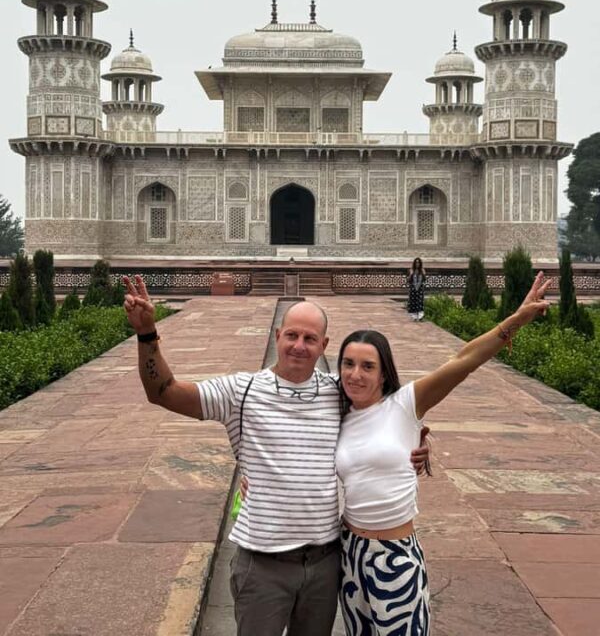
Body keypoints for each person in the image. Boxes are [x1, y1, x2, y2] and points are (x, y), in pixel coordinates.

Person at [122, 276, 430, 636]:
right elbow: (163, 392)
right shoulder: (241, 391)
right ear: (277, 336)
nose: (299, 346)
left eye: (310, 339)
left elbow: (387, 412)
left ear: (323, 345)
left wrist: (418, 440)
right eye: (292, 336)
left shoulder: (339, 392)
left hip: (325, 562)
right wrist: (147, 335)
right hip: (264, 565)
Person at [335, 271, 550, 635]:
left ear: (385, 373)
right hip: (349, 554)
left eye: (368, 366)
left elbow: (464, 361)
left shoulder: (405, 404)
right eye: (348, 364)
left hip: (395, 555)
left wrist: (516, 319)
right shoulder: (336, 411)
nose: (355, 374)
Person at [407, 257, 426, 321]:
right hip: (413, 288)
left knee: (420, 302)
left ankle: (420, 317)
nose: (417, 264)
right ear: (414, 263)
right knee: (413, 302)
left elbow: (424, 280)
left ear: (420, 263)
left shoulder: (422, 270)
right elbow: (408, 280)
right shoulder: (411, 270)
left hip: (420, 289)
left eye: (418, 262)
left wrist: (423, 274)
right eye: (416, 262)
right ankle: (414, 317)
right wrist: (411, 274)